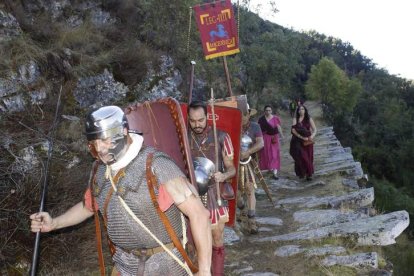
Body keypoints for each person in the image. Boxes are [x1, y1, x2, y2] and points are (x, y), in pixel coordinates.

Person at [30, 105, 212, 276]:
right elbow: (87, 207)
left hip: (167, 264)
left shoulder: (157, 165)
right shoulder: (100, 171)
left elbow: (199, 215)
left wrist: (204, 271)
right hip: (125, 264)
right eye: (94, 142)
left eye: (104, 140)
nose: (100, 148)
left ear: (123, 132)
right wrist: (54, 223)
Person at [187, 101, 236, 276]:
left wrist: (223, 175)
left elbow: (232, 168)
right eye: (192, 121)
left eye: (200, 120)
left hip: (215, 194)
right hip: (191, 195)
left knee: (216, 238)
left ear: (207, 117)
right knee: (194, 240)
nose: (197, 125)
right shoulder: (184, 137)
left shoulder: (221, 137)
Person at [238, 106, 264, 234]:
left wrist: (248, 152)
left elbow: (260, 143)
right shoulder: (232, 125)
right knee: (235, 192)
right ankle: (242, 209)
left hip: (249, 163)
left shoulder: (255, 127)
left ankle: (251, 219)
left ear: (248, 114)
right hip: (233, 164)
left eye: (244, 114)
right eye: (239, 114)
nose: (242, 117)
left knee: (249, 189)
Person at [289, 104, 317, 181]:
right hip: (297, 141)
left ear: (305, 110)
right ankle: (302, 172)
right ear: (297, 111)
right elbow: (293, 130)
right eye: (299, 109)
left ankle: (309, 174)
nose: (301, 111)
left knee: (308, 158)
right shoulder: (295, 119)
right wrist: (302, 137)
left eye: (302, 109)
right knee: (301, 157)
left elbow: (315, 130)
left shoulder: (308, 118)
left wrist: (312, 136)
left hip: (307, 141)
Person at [258, 105, 284, 179]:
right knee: (267, 154)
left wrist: (282, 136)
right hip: (265, 138)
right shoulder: (261, 119)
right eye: (267, 110)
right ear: (264, 111)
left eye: (269, 110)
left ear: (271, 111)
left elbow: (278, 127)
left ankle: (275, 172)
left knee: (274, 154)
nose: (268, 112)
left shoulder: (275, 118)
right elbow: (259, 129)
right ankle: (269, 168)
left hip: (274, 138)